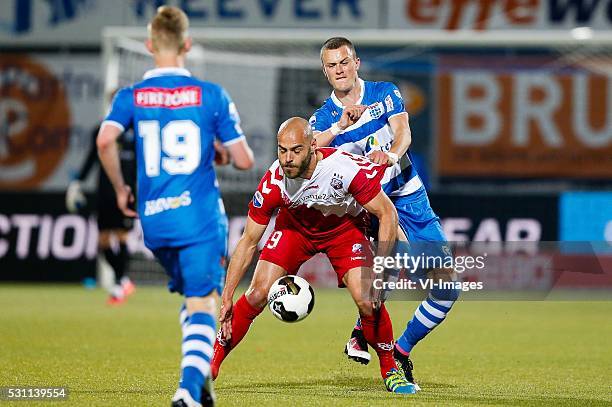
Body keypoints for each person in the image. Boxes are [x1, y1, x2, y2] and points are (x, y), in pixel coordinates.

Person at [96, 6, 254, 407]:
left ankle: (200, 382)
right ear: (187, 44)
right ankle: (187, 390)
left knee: (192, 298)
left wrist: (119, 188)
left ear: (150, 45)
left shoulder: (131, 96)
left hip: (155, 221)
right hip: (198, 217)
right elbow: (244, 160)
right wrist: (218, 150)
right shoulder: (210, 95)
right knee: (204, 302)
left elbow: (103, 141)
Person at [209, 117, 417, 394]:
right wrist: (227, 297)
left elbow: (387, 213)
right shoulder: (274, 181)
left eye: (295, 150)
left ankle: (389, 368)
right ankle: (212, 361)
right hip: (296, 229)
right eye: (282, 150)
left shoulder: (343, 168)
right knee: (258, 293)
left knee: (369, 301)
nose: (287, 159)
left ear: (312, 146)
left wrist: (381, 267)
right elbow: (248, 241)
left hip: (344, 230)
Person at [310, 37, 459, 387]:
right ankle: (367, 335)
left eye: (344, 62)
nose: (339, 70)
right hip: (368, 207)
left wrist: (390, 155)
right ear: (325, 72)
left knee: (447, 289)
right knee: (389, 266)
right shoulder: (324, 118)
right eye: (332, 66)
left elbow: (404, 132)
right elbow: (310, 149)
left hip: (409, 194)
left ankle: (399, 349)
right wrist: (338, 129)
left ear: (357, 62)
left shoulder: (385, 92)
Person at [66, 117, 136, 305]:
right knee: (103, 240)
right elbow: (91, 156)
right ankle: (123, 280)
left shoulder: (136, 132)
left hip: (127, 194)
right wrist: (78, 181)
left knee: (121, 237)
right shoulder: (101, 130)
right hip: (104, 193)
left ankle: (120, 281)